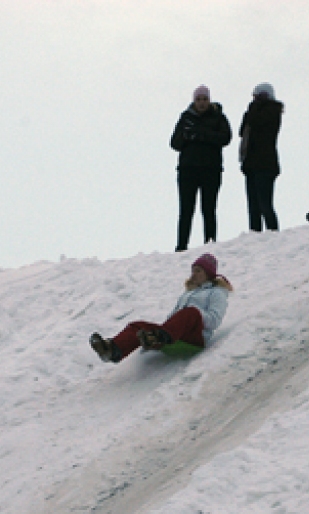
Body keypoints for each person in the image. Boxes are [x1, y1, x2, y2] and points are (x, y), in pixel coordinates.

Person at [90, 254, 233, 363]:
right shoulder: (188, 293)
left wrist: (194, 313)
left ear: (208, 274)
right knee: (138, 325)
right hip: (173, 335)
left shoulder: (217, 292)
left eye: (198, 271)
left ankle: (158, 337)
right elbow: (174, 317)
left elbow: (214, 320)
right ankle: (112, 350)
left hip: (195, 338)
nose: (193, 274)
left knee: (191, 312)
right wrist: (161, 327)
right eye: (193, 270)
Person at [170, 86, 232, 251]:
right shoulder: (185, 117)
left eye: (204, 99)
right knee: (186, 210)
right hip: (188, 170)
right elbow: (174, 143)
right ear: (194, 101)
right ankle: (181, 246)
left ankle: (210, 244)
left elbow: (226, 138)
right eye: (198, 100)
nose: (202, 103)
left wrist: (201, 134)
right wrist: (187, 136)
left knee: (209, 209)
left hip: (211, 170)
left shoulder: (218, 117)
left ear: (209, 100)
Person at [239, 82, 283, 233]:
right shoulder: (254, 112)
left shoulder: (272, 112)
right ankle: (255, 235)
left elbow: (256, 122)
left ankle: (273, 233)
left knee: (265, 204)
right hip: (252, 164)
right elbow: (242, 130)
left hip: (265, 165)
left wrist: (252, 109)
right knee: (253, 206)